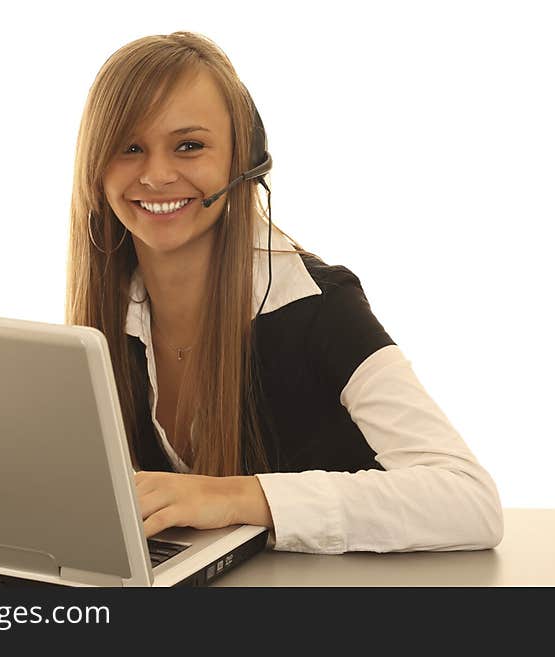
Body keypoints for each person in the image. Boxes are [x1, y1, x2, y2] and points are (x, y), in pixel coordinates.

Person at [66, 31, 503, 554]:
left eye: (190, 145)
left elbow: (470, 500)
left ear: (243, 159)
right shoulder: (108, 315)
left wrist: (239, 498)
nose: (156, 175)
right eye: (129, 148)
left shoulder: (319, 305)